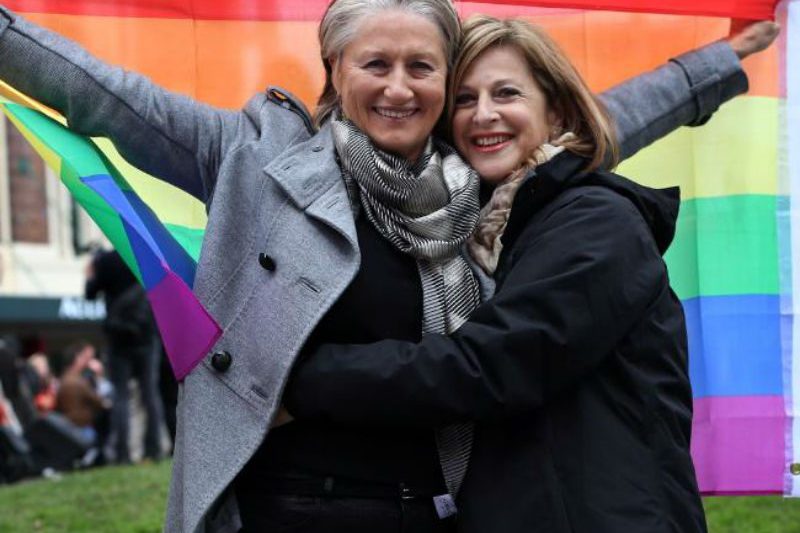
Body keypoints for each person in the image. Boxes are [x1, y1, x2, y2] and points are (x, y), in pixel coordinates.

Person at [0, 1, 773, 531]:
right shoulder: (256, 156)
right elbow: (111, 101)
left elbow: (595, 118)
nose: (399, 88)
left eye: (422, 67)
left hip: (440, 508)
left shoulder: (477, 177)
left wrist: (714, 67)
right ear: (335, 67)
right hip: (288, 507)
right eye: (376, 64)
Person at [284, 15, 779, 533]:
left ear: (557, 111)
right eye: (465, 100)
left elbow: (485, 366)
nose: (484, 116)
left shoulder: (596, 223)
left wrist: (298, 382)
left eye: (507, 94)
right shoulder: (494, 227)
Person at [85, 249, 164, 463]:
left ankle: (122, 453)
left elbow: (90, 293)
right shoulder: (143, 254)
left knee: (120, 396)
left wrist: (91, 273)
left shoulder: (106, 261)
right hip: (146, 336)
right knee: (150, 393)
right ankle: (154, 449)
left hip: (118, 338)